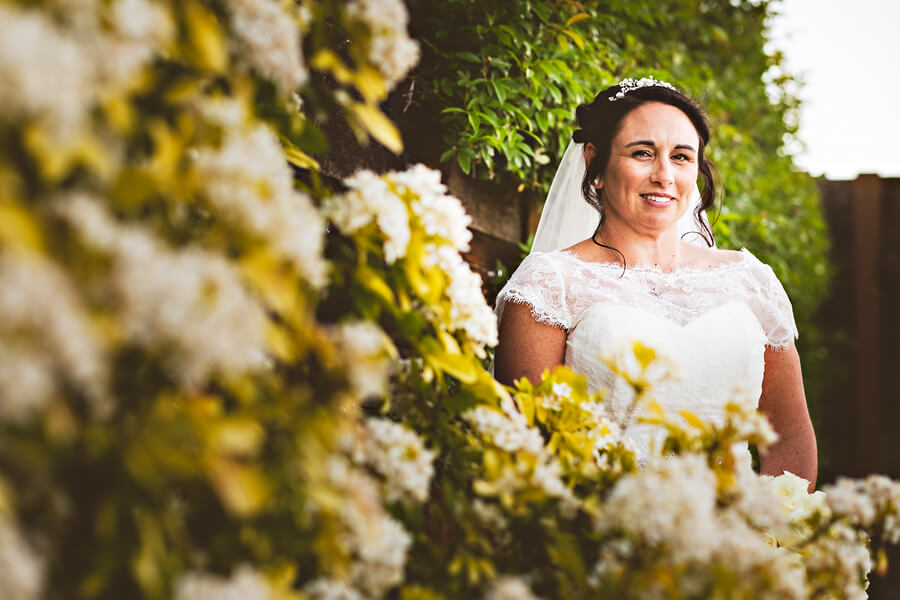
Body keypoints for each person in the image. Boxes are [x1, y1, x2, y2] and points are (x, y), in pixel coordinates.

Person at [493, 77, 817, 486]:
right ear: (596, 162)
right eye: (642, 153)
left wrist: (772, 532)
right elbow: (522, 443)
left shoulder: (750, 281)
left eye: (681, 157)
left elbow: (789, 435)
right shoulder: (549, 285)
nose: (664, 175)